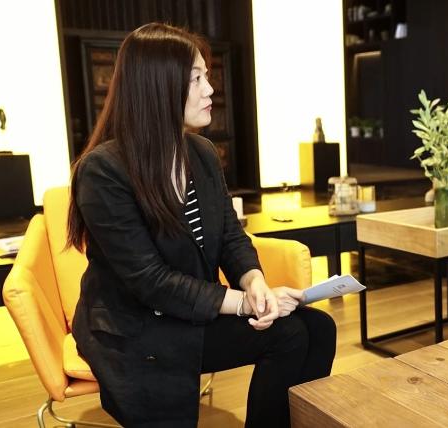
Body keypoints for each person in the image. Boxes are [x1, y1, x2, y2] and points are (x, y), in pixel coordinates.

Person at [67, 23, 336, 428]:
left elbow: (230, 235)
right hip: (136, 326)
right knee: (289, 335)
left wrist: (254, 282)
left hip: (187, 309)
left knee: (318, 327)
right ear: (157, 87)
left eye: (206, 76)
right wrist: (243, 304)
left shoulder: (202, 153)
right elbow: (151, 282)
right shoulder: (104, 171)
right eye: (196, 79)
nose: (210, 89)